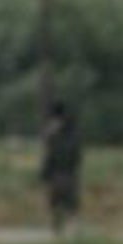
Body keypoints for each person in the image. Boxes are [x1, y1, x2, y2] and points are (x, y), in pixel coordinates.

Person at [39, 100, 82, 236]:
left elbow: (50, 157)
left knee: (57, 208)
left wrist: (44, 175)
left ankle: (57, 235)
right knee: (70, 209)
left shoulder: (54, 135)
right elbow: (77, 157)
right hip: (70, 175)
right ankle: (69, 235)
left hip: (59, 175)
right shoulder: (73, 132)